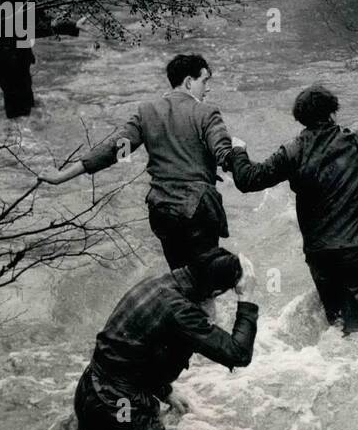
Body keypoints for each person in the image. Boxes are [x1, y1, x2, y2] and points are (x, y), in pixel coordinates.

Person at [228, 86, 358, 340]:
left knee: (336, 322)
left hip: (321, 255)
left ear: (299, 118)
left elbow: (248, 180)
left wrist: (238, 151)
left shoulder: (291, 152)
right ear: (333, 111)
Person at [39, 54, 237, 272]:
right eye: (204, 81)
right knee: (206, 278)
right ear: (189, 82)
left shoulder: (147, 112)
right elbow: (222, 149)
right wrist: (236, 160)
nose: (207, 89)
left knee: (181, 276)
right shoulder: (206, 112)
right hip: (198, 210)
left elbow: (114, 150)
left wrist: (61, 176)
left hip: (163, 210)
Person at [74, 248, 257, 430]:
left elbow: (134, 350)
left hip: (90, 392)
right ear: (217, 290)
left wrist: (164, 391)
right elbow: (238, 354)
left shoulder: (160, 283)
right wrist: (246, 298)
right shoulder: (180, 310)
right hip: (116, 407)